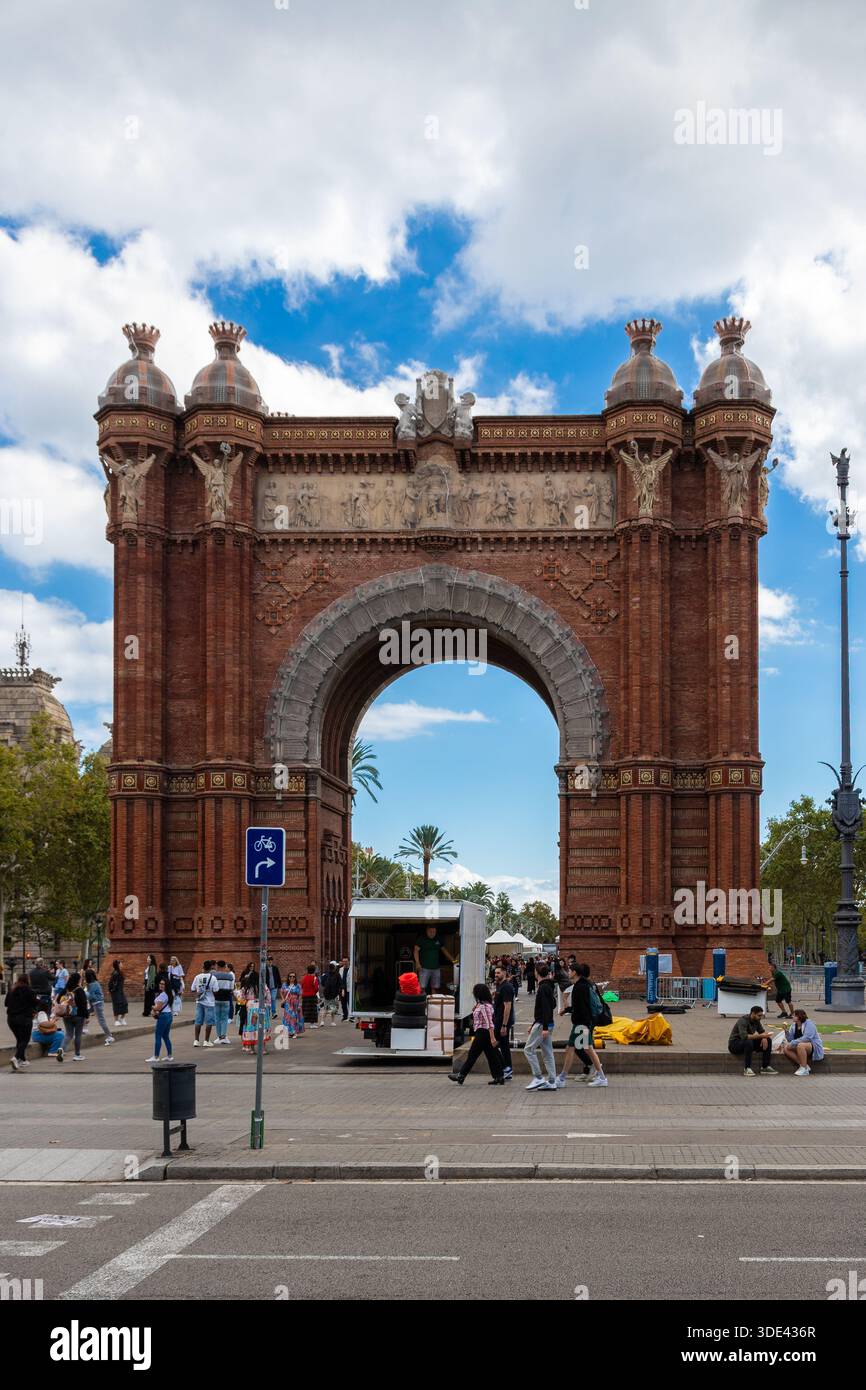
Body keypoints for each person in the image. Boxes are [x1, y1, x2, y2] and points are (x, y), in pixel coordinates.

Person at [557, 963, 607, 1088]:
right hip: (584, 1023)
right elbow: (581, 1006)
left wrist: (581, 1023)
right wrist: (568, 1010)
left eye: (570, 970)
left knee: (574, 1049)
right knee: (585, 1048)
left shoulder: (579, 987)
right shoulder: (584, 985)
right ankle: (600, 1075)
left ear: (574, 972)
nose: (568, 972)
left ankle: (562, 1078)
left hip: (581, 1024)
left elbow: (582, 1008)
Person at [448, 983, 504, 1085]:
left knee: (473, 1055)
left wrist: (492, 1038)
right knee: (491, 1055)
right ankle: (499, 1076)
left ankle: (461, 1075)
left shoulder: (484, 1006)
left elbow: (489, 1022)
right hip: (483, 1032)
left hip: (483, 1033)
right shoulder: (482, 1004)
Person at [524, 962, 557, 1091]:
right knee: (548, 1052)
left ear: (537, 973)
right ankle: (552, 1080)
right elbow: (552, 1005)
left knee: (528, 1049)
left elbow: (544, 1008)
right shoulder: (549, 986)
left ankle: (538, 1077)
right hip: (547, 1023)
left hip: (542, 1024)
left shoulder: (543, 988)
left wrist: (542, 1027)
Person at [728, 1005, 778, 1076]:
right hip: (735, 1044)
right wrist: (761, 1036)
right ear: (753, 1013)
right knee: (748, 1042)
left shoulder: (757, 1020)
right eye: (759, 1015)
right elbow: (744, 1037)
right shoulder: (743, 1020)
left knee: (768, 1040)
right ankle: (747, 1068)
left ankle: (765, 1067)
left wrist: (764, 1037)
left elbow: (762, 1032)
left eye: (761, 1015)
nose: (760, 1017)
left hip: (747, 1043)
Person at [6, 974, 39, 1071]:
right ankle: (15, 1058)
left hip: (11, 1019)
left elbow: (6, 1003)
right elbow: (35, 1002)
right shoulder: (29, 990)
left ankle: (22, 1059)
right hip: (24, 1019)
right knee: (25, 1040)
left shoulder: (12, 990)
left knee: (20, 1040)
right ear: (27, 980)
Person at [56, 972, 90, 1061]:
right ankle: (77, 1055)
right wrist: (86, 1016)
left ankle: (61, 1049)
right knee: (78, 1035)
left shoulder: (66, 989)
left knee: (68, 1034)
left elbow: (59, 999)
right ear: (78, 980)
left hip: (67, 1015)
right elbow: (83, 1004)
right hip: (78, 1016)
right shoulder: (79, 990)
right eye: (80, 979)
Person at [781, 1009, 825, 1076]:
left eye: (794, 1015)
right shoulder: (793, 1025)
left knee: (800, 1045)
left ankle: (804, 1069)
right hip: (800, 1046)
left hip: (813, 1046)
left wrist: (792, 1043)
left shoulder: (809, 1023)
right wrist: (786, 1032)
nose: (792, 1016)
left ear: (799, 1017)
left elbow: (807, 1038)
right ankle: (804, 1066)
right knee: (786, 1048)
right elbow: (790, 1039)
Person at [413, 924, 455, 993]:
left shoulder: (438, 939)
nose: (432, 934)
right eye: (430, 932)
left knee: (435, 988)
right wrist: (417, 963)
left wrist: (454, 960)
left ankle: (433, 1002)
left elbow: (444, 950)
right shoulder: (422, 939)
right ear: (427, 931)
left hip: (436, 968)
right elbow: (415, 951)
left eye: (434, 932)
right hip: (424, 968)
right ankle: (422, 1002)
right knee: (422, 987)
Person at [492, 966, 515, 1080]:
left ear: (504, 973)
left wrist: (504, 1025)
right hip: (498, 1020)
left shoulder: (506, 987)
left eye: (498, 973)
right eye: (495, 973)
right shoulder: (500, 986)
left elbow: (508, 1006)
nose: (496, 975)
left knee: (494, 1044)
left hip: (502, 1022)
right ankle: (507, 1069)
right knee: (504, 1046)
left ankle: (506, 1068)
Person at [190, 959, 218, 1047]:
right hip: (209, 1002)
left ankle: (196, 1040)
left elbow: (192, 989)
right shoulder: (213, 978)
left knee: (198, 1021)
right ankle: (206, 1041)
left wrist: (200, 991)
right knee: (209, 1022)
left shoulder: (197, 977)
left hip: (200, 1001)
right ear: (211, 968)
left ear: (203, 967)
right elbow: (216, 990)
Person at [146, 976, 175, 1062]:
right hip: (169, 1015)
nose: (161, 985)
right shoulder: (170, 993)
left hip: (163, 1017)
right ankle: (169, 1056)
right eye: (160, 983)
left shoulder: (163, 995)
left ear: (166, 985)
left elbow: (158, 1008)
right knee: (166, 1036)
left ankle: (156, 1056)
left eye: (163, 984)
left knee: (158, 1036)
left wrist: (152, 1007)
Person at [241, 975, 271, 1054]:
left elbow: (242, 997)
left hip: (251, 1008)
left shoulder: (246, 988)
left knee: (252, 1027)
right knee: (262, 1026)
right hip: (262, 1007)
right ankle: (263, 1049)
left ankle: (252, 1049)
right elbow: (268, 996)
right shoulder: (263, 986)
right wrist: (268, 1006)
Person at [85, 970, 115, 1045]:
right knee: (84, 1014)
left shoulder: (92, 984)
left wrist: (84, 993)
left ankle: (109, 1036)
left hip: (97, 1003)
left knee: (101, 1021)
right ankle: (84, 1028)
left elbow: (91, 996)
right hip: (96, 1003)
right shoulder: (94, 983)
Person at [212, 959, 236, 1044]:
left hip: (216, 999)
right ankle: (224, 1036)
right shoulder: (230, 976)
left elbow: (212, 987)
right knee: (225, 1018)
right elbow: (232, 988)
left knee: (217, 1018)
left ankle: (219, 1037)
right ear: (225, 966)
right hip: (226, 999)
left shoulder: (214, 975)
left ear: (217, 966)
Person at [320, 961, 342, 1026]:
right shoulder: (337, 974)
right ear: (334, 967)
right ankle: (332, 1021)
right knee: (333, 1007)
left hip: (326, 993)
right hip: (334, 994)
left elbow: (322, 983)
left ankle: (322, 1021)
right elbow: (340, 983)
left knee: (325, 1007)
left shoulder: (325, 974)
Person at [108, 959, 129, 1027]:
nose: (122, 964)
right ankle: (116, 1021)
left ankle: (122, 1018)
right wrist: (112, 990)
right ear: (118, 965)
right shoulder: (115, 973)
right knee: (116, 1005)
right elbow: (111, 983)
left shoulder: (120, 972)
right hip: (116, 992)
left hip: (120, 991)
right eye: (120, 963)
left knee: (125, 1004)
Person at [282, 972, 303, 1036]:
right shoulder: (285, 985)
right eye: (290, 976)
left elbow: (300, 995)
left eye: (293, 976)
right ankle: (289, 1032)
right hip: (288, 1003)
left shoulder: (298, 985)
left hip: (295, 1003)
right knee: (287, 1017)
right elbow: (281, 992)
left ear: (295, 978)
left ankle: (294, 1032)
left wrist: (299, 1004)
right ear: (288, 977)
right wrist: (283, 999)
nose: (292, 978)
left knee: (294, 1017)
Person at [300, 962, 320, 1028]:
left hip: (304, 996)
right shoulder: (314, 978)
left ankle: (302, 1023)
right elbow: (316, 988)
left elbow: (302, 986)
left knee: (305, 1010)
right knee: (313, 1010)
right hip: (312, 996)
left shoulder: (303, 978)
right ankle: (312, 1024)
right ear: (314, 971)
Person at [264, 954, 282, 1019]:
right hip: (267, 987)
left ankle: (273, 1012)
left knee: (273, 999)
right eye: (269, 960)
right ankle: (268, 1013)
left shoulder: (275, 968)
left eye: (271, 960)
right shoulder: (264, 968)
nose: (270, 961)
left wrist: (279, 985)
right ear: (266, 961)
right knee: (268, 1000)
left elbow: (278, 976)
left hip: (274, 986)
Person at [339, 956, 351, 1020]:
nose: (345, 963)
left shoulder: (352, 969)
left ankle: (351, 1016)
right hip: (342, 989)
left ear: (349, 961)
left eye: (346, 961)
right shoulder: (340, 969)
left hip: (349, 988)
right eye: (344, 961)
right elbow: (339, 979)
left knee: (350, 1002)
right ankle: (345, 1016)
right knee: (343, 1003)